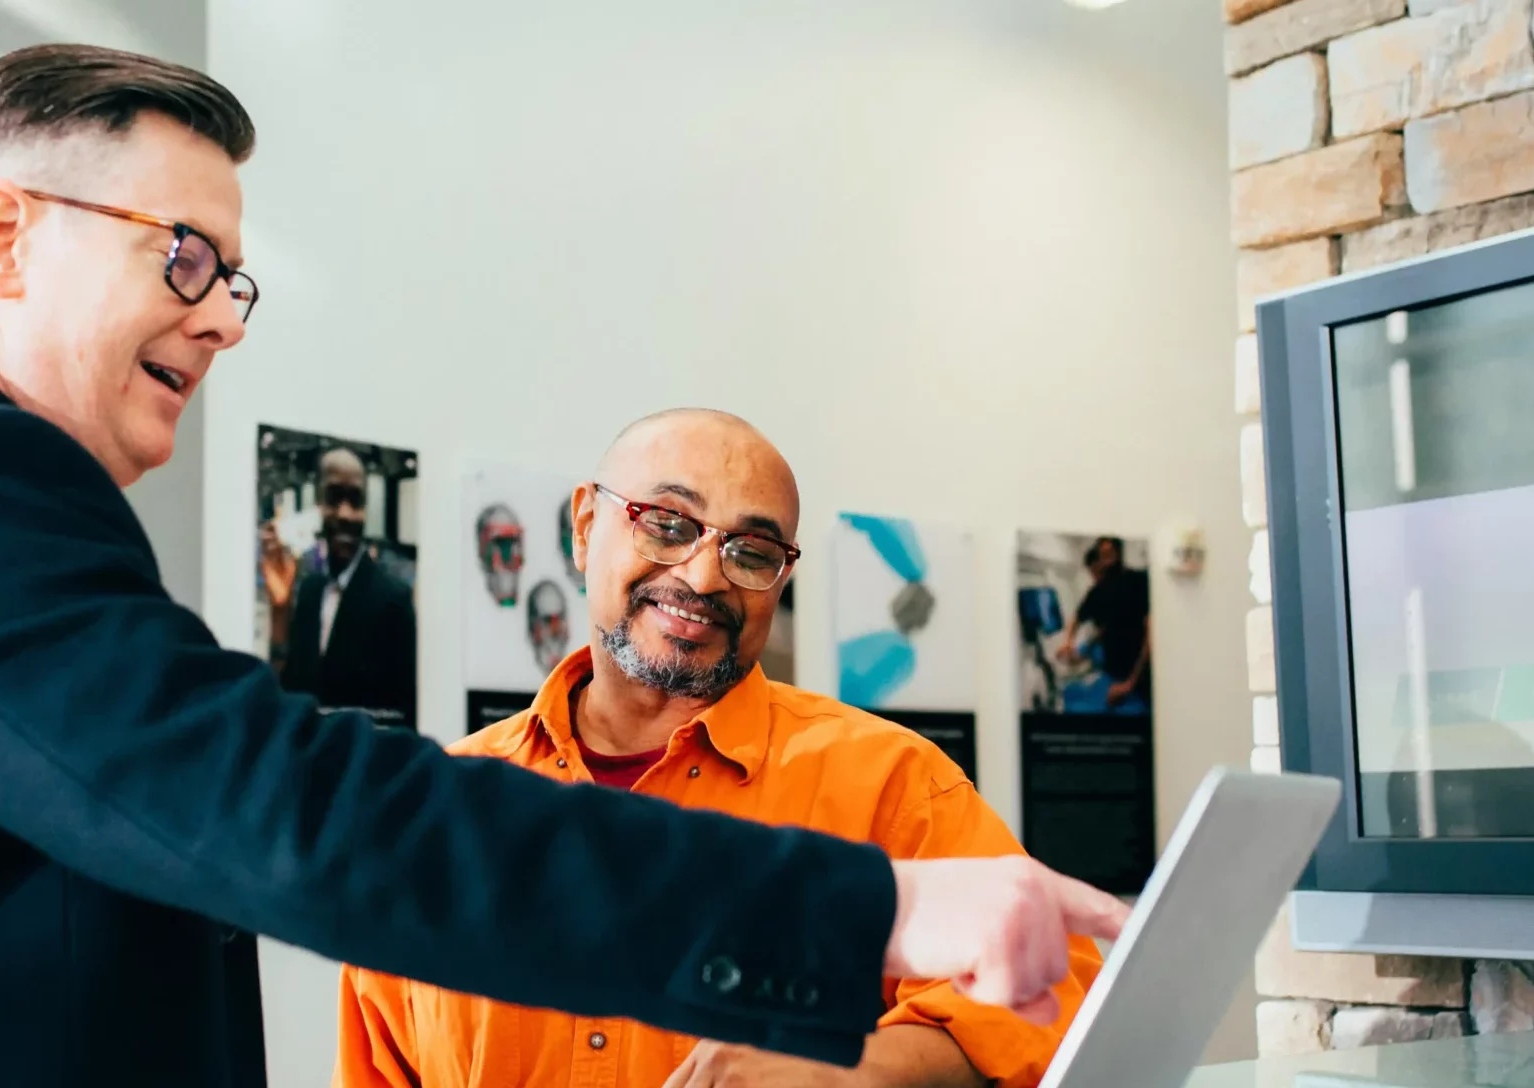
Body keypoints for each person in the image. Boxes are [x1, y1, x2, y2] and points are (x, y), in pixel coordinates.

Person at [0, 44, 1126, 1088]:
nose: (221, 318)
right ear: (6, 236)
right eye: (183, 257)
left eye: (236, 280)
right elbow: (296, 818)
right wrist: (861, 913)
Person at [337, 411, 1102, 1088]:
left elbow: (1060, 1000)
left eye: (753, 550)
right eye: (666, 523)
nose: (703, 576)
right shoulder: (439, 815)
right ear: (582, 527)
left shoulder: (889, 784)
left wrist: (857, 1072)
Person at [263, 447, 418, 726]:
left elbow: (403, 718)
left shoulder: (393, 600)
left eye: (356, 501)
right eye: (334, 498)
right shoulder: (309, 591)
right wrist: (280, 610)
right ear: (318, 503)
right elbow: (286, 692)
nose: (345, 514)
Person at [1058, 537, 1151, 712]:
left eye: (1110, 554)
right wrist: (1068, 642)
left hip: (1137, 681)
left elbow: (1151, 635)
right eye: (1103, 555)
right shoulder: (1099, 591)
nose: (1095, 575)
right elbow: (1079, 618)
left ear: (1119, 553)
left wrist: (1130, 684)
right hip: (1112, 676)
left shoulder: (1138, 581)